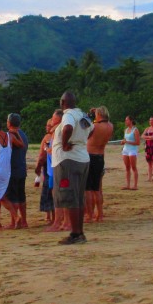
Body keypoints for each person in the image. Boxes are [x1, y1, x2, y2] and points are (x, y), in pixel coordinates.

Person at [54, 91, 92, 245]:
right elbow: (92, 129)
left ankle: (75, 233)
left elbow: (68, 127)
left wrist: (64, 143)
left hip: (68, 160)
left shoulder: (68, 115)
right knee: (78, 197)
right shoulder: (83, 115)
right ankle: (79, 232)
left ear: (63, 102)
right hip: (82, 157)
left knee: (70, 196)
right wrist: (80, 140)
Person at [85, 106, 113, 222]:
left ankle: (90, 214)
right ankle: (100, 214)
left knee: (88, 189)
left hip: (90, 155)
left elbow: (85, 131)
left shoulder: (94, 126)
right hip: (100, 156)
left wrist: (88, 115)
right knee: (98, 188)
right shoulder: (110, 126)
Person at [4, 113, 29, 229]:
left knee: (12, 196)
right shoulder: (23, 135)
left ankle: (14, 221)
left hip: (12, 169)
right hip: (22, 168)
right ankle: (24, 221)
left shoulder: (10, 135)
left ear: (9, 123)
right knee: (21, 196)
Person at [35, 114, 60, 229]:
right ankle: (53, 216)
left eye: (49, 125)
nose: (47, 127)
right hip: (53, 167)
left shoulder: (49, 137)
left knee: (50, 192)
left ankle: (53, 217)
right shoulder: (54, 136)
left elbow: (42, 154)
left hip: (51, 168)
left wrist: (38, 166)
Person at [121, 116, 141, 190]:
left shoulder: (135, 130)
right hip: (125, 149)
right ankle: (128, 184)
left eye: (127, 120)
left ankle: (135, 185)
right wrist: (123, 142)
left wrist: (127, 142)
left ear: (131, 121)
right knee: (127, 167)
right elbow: (125, 139)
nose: (125, 121)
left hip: (132, 150)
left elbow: (138, 142)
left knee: (133, 167)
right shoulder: (126, 130)